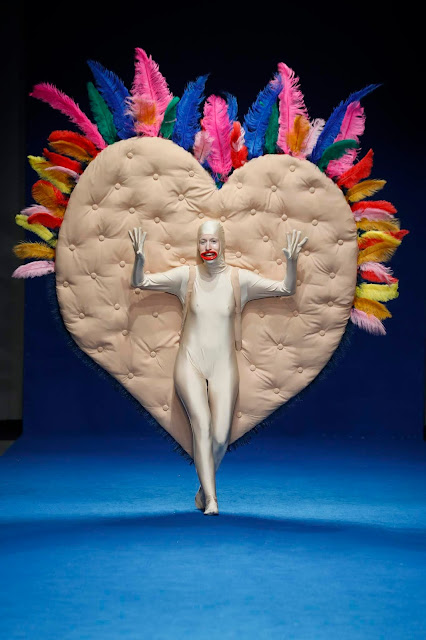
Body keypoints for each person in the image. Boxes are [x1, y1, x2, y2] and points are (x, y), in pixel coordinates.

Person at [129, 221, 308, 515]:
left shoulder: (239, 280)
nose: (208, 247)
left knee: (222, 437)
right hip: (190, 363)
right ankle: (212, 499)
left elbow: (285, 288)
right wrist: (139, 258)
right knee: (201, 425)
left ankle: (203, 489)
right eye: (202, 241)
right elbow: (141, 282)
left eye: (213, 241)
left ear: (222, 243)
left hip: (224, 366)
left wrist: (291, 261)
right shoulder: (186, 276)